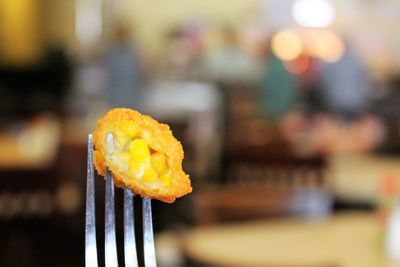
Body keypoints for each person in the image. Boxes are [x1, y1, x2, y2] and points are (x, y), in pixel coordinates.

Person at [106, 24, 143, 109]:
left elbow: (140, 75)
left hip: (133, 97)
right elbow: (109, 78)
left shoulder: (134, 51)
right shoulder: (112, 52)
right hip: (117, 98)